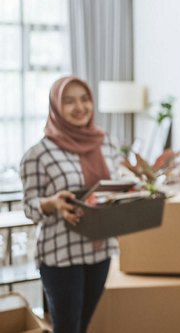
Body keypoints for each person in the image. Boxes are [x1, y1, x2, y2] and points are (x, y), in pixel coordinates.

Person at [20, 76, 120, 333]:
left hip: (100, 250)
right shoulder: (38, 154)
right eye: (69, 101)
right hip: (61, 254)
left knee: (83, 325)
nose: (80, 107)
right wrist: (52, 204)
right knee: (66, 328)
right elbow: (29, 207)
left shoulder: (105, 142)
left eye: (84, 99)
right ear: (55, 107)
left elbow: (113, 186)